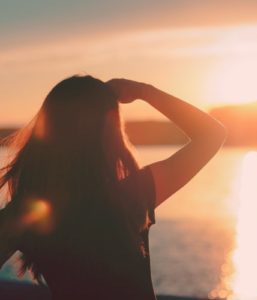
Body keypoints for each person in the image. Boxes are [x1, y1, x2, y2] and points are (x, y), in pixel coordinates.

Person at [0, 75, 226, 300]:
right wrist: (144, 91)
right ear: (110, 134)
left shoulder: (23, 214)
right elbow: (211, 135)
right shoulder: (130, 196)